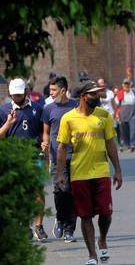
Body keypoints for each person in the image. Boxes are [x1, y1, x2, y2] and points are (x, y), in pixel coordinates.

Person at [56, 80, 123, 265]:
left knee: (106, 213)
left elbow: (110, 143)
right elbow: (62, 147)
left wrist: (117, 169)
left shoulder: (104, 116)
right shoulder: (68, 118)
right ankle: (92, 255)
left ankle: (102, 239)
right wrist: (60, 173)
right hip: (79, 173)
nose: (97, 97)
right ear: (82, 96)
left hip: (101, 171)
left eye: (97, 93)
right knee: (85, 215)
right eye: (93, 94)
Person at [0, 78, 47, 241]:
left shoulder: (38, 108)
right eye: (14, 95)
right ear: (10, 94)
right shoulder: (3, 110)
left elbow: (43, 133)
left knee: (37, 192)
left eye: (19, 94)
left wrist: (46, 148)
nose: (17, 97)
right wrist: (8, 123)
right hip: (14, 158)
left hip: (34, 156)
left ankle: (39, 226)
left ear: (25, 93)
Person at [41, 76, 79, 243]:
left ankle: (70, 229)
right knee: (60, 191)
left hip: (77, 156)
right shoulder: (48, 109)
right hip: (58, 157)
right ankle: (60, 218)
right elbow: (46, 132)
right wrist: (46, 146)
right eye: (50, 90)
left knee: (74, 192)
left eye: (53, 90)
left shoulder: (76, 106)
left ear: (63, 91)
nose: (51, 93)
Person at [115, 78, 135, 152]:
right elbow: (116, 105)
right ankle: (128, 144)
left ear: (130, 84)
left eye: (127, 84)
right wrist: (117, 115)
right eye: (125, 84)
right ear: (123, 85)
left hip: (133, 114)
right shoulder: (120, 94)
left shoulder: (134, 92)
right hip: (123, 115)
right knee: (125, 130)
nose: (126, 85)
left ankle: (133, 144)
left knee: (133, 128)